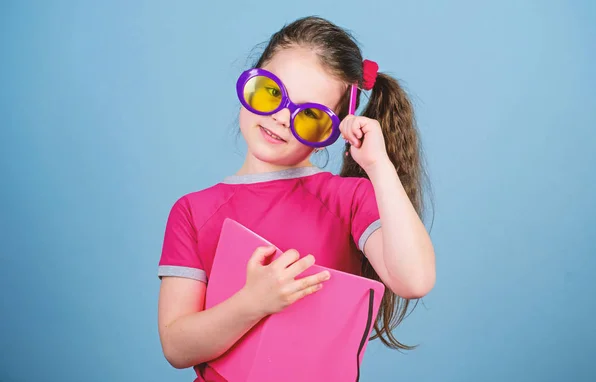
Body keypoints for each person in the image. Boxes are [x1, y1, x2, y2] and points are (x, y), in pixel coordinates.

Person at [157, 16, 436, 381]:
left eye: (310, 115)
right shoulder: (193, 211)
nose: (282, 118)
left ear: (336, 127)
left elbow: (414, 280)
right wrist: (253, 304)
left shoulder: (348, 199)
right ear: (252, 79)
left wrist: (378, 164)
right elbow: (177, 348)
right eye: (271, 93)